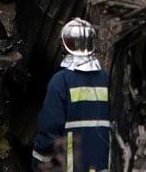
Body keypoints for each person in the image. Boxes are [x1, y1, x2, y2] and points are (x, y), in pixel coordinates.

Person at [33, 18, 111, 172]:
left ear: (66, 45)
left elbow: (50, 129)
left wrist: (39, 161)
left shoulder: (60, 81)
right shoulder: (106, 80)